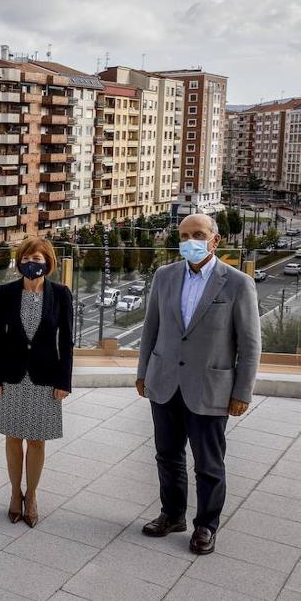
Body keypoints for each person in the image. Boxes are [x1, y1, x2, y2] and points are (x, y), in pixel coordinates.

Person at [137, 213, 260, 555]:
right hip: (164, 383)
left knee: (208, 463)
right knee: (167, 455)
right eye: (184, 234)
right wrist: (143, 372)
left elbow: (250, 344)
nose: (190, 240)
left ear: (215, 240)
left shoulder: (236, 283)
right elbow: (152, 328)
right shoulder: (165, 276)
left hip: (210, 389)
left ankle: (206, 525)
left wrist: (242, 392)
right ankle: (172, 514)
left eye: (198, 234)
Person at [0, 238, 74, 528]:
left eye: (37, 257)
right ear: (19, 261)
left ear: (48, 262)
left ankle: (32, 495)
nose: (31, 262)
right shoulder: (7, 292)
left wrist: (64, 380)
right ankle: (14, 493)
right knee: (13, 438)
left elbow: (67, 341)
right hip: (11, 375)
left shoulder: (61, 294)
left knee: (36, 440)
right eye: (26, 257)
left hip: (45, 376)